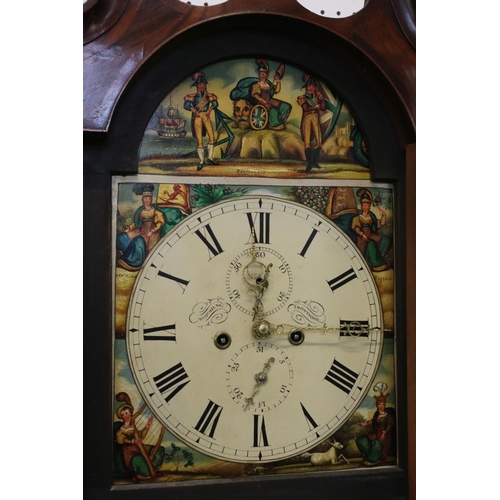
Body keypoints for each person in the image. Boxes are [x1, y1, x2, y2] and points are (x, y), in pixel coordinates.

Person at [116, 184, 166, 271]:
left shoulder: (156, 212)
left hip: (151, 236)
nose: (147, 200)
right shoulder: (140, 211)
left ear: (151, 200)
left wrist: (152, 231)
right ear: (142, 200)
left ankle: (132, 262)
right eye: (146, 198)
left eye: (149, 198)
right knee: (121, 237)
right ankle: (125, 253)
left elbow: (160, 222)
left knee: (138, 240)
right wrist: (129, 228)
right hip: (140, 231)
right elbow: (135, 224)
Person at [114, 404, 162, 481]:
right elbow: (120, 441)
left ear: (131, 413)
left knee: (157, 450)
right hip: (130, 454)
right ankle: (140, 474)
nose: (125, 416)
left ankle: (150, 470)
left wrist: (148, 426)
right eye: (123, 415)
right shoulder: (120, 431)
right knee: (138, 459)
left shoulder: (134, 428)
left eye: (126, 413)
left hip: (139, 450)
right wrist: (132, 441)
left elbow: (141, 435)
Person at [183, 71, 219, 170]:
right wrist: (194, 110)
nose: (202, 86)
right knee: (200, 140)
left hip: (206, 116)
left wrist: (210, 109)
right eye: (200, 84)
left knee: (212, 137)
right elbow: (186, 105)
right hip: (198, 117)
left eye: (203, 84)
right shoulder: (193, 97)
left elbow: (215, 104)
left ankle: (210, 158)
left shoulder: (209, 96)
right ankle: (202, 161)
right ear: (197, 86)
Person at [351, 188, 392, 271]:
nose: (364, 207)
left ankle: (379, 260)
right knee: (371, 244)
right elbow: (356, 228)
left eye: (366, 205)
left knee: (386, 240)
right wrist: (362, 234)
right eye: (363, 205)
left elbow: (381, 224)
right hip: (362, 238)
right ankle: (375, 265)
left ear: (369, 206)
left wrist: (383, 214)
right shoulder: (358, 217)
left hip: (372, 235)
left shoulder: (371, 216)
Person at [355, 390, 396, 466]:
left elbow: (390, 425)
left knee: (376, 443)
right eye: (379, 404)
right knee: (361, 440)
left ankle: (372, 459)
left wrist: (384, 433)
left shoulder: (389, 415)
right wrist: (364, 424)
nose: (381, 406)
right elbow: (372, 421)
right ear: (377, 405)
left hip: (385, 438)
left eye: (383, 404)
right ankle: (371, 455)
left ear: (385, 405)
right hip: (376, 435)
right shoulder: (376, 414)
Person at [250, 59, 291, 130]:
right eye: (260, 74)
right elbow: (255, 95)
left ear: (267, 74)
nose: (262, 75)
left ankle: (280, 121)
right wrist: (262, 100)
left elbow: (277, 90)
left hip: (270, 100)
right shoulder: (256, 85)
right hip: (261, 102)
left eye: (264, 74)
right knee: (274, 110)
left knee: (286, 106)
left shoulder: (269, 85)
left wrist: (278, 80)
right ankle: (274, 124)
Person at [297, 74, 326, 171]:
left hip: (316, 118)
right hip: (307, 118)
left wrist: (321, 96)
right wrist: (315, 107)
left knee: (319, 141)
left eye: (313, 86)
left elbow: (323, 107)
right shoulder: (303, 97)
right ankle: (309, 164)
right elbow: (305, 108)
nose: (311, 88)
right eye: (309, 86)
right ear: (306, 87)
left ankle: (314, 162)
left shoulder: (317, 97)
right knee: (307, 142)